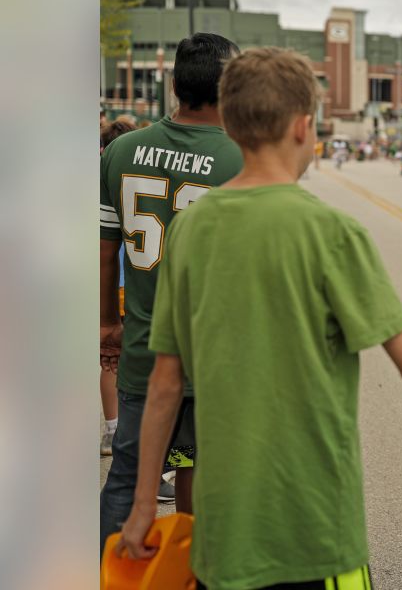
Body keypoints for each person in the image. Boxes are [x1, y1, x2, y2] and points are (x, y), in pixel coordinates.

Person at [114, 47, 402, 589]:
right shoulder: (333, 233)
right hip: (315, 523)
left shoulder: (192, 228)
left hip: (222, 529)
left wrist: (141, 507)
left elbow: (164, 382)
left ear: (230, 123)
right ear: (305, 127)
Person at [99, 33, 244, 551]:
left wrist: (106, 322)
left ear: (174, 83)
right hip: (216, 355)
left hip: (143, 344)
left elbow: (104, 247)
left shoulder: (121, 150)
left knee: (127, 474)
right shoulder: (243, 159)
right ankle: (196, 571)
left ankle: (110, 575)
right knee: (201, 468)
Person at [99, 119, 138, 457]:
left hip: (109, 286)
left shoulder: (103, 178)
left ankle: (112, 430)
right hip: (132, 285)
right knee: (128, 364)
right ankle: (125, 436)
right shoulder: (129, 179)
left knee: (110, 363)